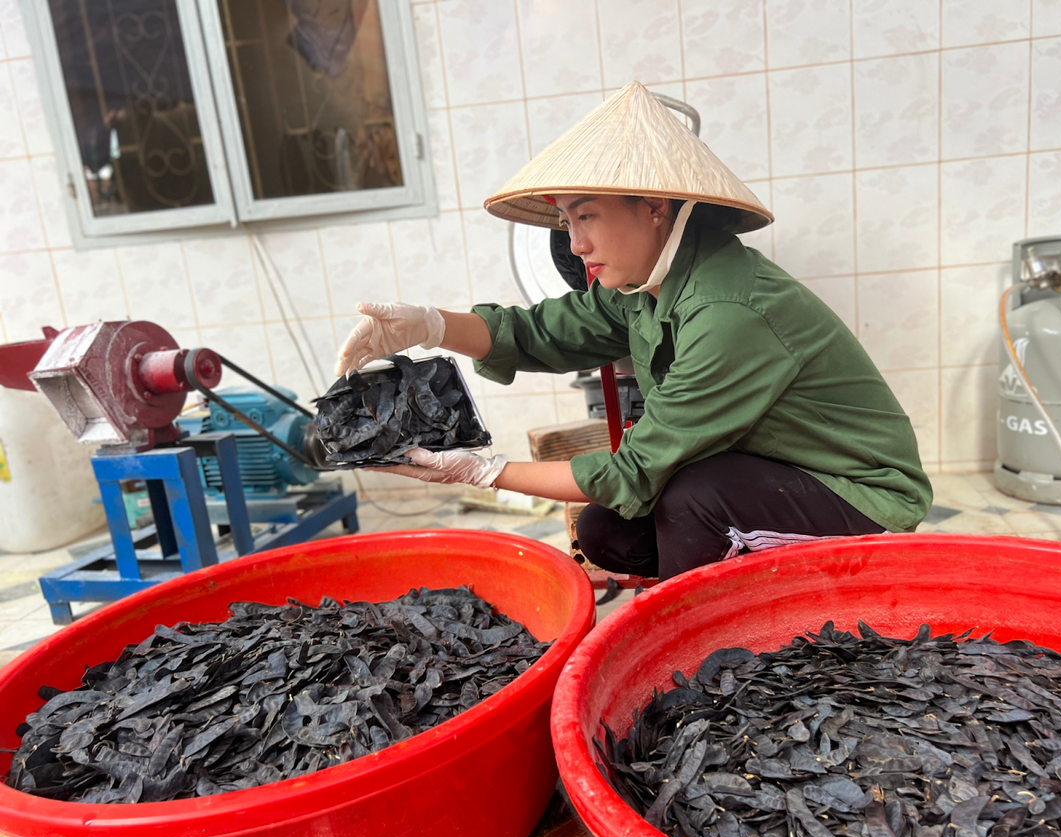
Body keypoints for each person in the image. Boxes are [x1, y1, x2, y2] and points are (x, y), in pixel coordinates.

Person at [335, 82, 932, 580]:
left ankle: (701, 652)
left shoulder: (730, 312)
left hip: (859, 493)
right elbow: (541, 332)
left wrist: (482, 472)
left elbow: (633, 470)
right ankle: (756, 580)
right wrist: (431, 326)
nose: (574, 244)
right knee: (605, 528)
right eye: (567, 220)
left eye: (587, 215)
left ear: (654, 207)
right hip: (772, 472)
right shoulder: (644, 285)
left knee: (693, 498)